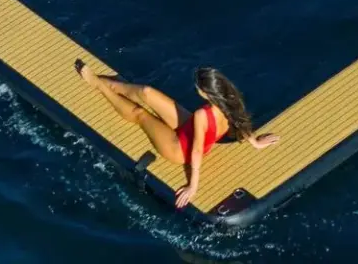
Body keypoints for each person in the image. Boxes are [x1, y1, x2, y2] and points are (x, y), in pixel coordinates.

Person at [77, 60, 279, 209]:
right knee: (146, 92)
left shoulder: (202, 115)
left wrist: (193, 186)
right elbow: (240, 121)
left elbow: (196, 151)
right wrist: (255, 142)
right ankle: (116, 85)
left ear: (206, 93)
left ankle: (99, 85)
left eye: (198, 87)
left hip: (179, 148)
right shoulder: (231, 100)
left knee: (141, 114)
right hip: (189, 129)